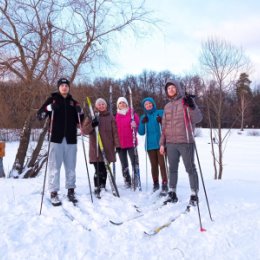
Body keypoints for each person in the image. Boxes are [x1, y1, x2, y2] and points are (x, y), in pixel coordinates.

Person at [37, 78, 84, 206]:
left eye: (66, 86)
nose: (64, 87)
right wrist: (48, 108)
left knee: (71, 167)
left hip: (71, 139)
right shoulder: (52, 100)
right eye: (62, 85)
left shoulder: (74, 103)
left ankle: (71, 190)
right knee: (54, 167)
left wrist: (81, 112)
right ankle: (53, 192)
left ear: (69, 88)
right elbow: (39, 115)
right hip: (56, 139)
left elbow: (81, 120)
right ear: (58, 87)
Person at [159, 79, 203, 206]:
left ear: (177, 88)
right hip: (171, 143)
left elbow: (198, 118)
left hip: (186, 141)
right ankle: (172, 193)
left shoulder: (186, 102)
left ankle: (194, 194)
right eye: (168, 88)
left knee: (190, 169)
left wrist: (192, 106)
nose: (171, 90)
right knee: (172, 169)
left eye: (173, 87)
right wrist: (162, 143)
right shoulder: (166, 107)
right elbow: (164, 127)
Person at [82, 98, 119, 198]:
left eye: (103, 104)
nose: (101, 106)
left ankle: (103, 186)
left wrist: (117, 145)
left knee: (105, 168)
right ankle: (97, 186)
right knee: (98, 169)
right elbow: (84, 131)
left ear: (106, 106)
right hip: (96, 148)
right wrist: (92, 124)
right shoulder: (91, 116)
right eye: (99, 104)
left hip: (108, 147)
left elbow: (115, 132)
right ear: (96, 106)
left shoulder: (110, 117)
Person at [138, 97, 168, 195]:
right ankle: (155, 183)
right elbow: (141, 132)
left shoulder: (160, 112)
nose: (148, 105)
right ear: (144, 107)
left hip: (161, 144)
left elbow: (167, 124)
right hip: (150, 145)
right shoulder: (144, 116)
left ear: (153, 104)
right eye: (146, 105)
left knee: (162, 164)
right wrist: (142, 123)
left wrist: (161, 121)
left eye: (150, 104)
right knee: (154, 165)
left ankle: (164, 183)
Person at [115, 97, 140, 189]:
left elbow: (138, 126)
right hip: (120, 144)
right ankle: (127, 180)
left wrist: (135, 125)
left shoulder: (132, 114)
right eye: (120, 103)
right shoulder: (116, 116)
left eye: (124, 103)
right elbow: (114, 130)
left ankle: (136, 178)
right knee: (124, 164)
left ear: (127, 104)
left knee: (134, 162)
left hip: (131, 142)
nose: (122, 104)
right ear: (118, 105)